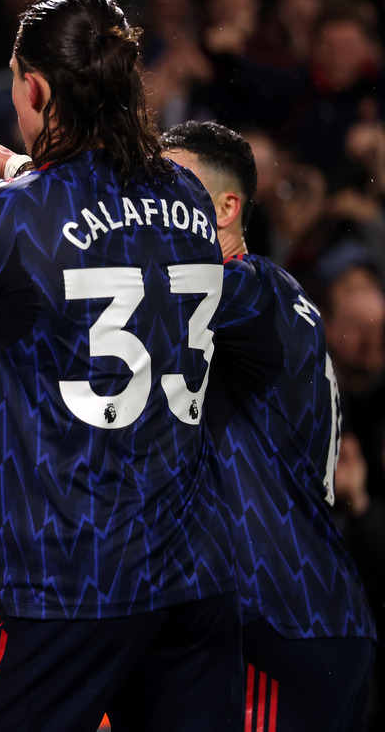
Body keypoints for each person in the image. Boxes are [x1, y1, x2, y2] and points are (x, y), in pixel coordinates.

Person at [0, 0, 241, 731]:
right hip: (194, 576)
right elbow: (105, 211)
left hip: (67, 580)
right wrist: (14, 164)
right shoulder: (190, 195)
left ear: (33, 88)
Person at [160, 121, 377, 730]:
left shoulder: (253, 289)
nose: (147, 209)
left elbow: (124, 278)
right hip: (305, 611)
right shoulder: (270, 298)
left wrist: (28, 187)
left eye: (167, 189)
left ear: (225, 208)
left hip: (273, 614)